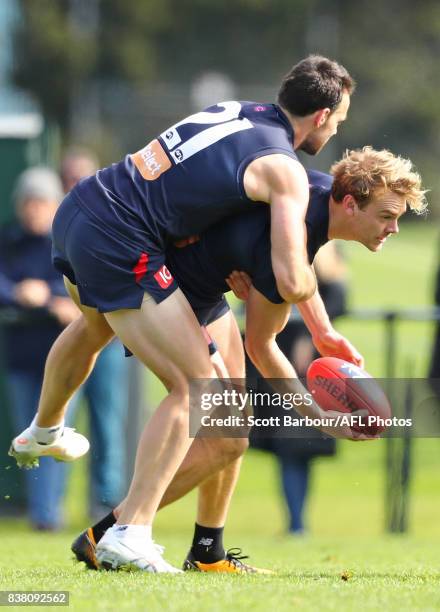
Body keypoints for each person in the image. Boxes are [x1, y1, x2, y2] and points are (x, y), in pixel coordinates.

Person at [10, 55, 356, 573]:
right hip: (122, 235)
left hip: (87, 206)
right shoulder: (284, 165)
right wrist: (313, 314)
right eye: (341, 120)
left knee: (103, 333)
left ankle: (46, 429)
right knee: (195, 388)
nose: (336, 131)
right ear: (323, 115)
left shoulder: (240, 111)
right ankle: (127, 532)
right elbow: (291, 275)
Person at [70, 147, 426, 572]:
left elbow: (300, 272)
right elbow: (263, 347)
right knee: (217, 428)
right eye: (387, 215)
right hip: (165, 291)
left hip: (198, 291)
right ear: (350, 203)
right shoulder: (289, 253)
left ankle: (205, 552)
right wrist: (321, 418)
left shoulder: (312, 188)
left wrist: (323, 330)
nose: (395, 228)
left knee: (230, 436)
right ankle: (111, 532)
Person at [248, 242, 348, 534]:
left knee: (299, 448)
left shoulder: (328, 269)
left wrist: (308, 336)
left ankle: (297, 523)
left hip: (314, 372)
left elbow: (340, 298)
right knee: (289, 447)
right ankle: (296, 523)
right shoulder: (279, 259)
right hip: (277, 365)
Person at [0, 167, 81, 530]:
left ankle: (47, 515)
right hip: (20, 355)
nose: (33, 209)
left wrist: (47, 295)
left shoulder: (67, 240)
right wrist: (19, 293)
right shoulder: (9, 240)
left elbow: (81, 283)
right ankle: (40, 511)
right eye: (28, 202)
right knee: (26, 436)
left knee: (53, 434)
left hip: (62, 359)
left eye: (41, 202)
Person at [60, 148, 128, 518]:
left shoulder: (114, 216)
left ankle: (106, 509)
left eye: (82, 177)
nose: (76, 185)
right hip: (73, 335)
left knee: (108, 426)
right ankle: (48, 508)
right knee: (58, 424)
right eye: (70, 178)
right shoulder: (59, 221)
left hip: (112, 340)